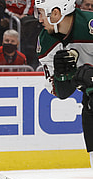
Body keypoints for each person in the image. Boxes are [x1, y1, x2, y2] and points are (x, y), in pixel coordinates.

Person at [34, 2, 93, 169]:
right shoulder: (46, 41)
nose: (39, 20)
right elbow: (61, 92)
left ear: (55, 13)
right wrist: (61, 78)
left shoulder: (90, 25)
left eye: (41, 13)